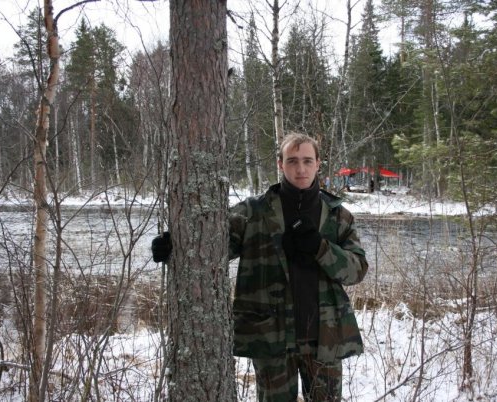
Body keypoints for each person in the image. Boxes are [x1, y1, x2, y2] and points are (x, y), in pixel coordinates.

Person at [152, 132, 368, 401]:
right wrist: (174, 246)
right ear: (280, 164)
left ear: (318, 164)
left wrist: (320, 247)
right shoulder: (253, 211)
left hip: (325, 336)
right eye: (292, 161)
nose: (300, 168)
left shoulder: (338, 216)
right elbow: (211, 249)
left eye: (307, 161)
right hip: (270, 337)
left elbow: (357, 270)